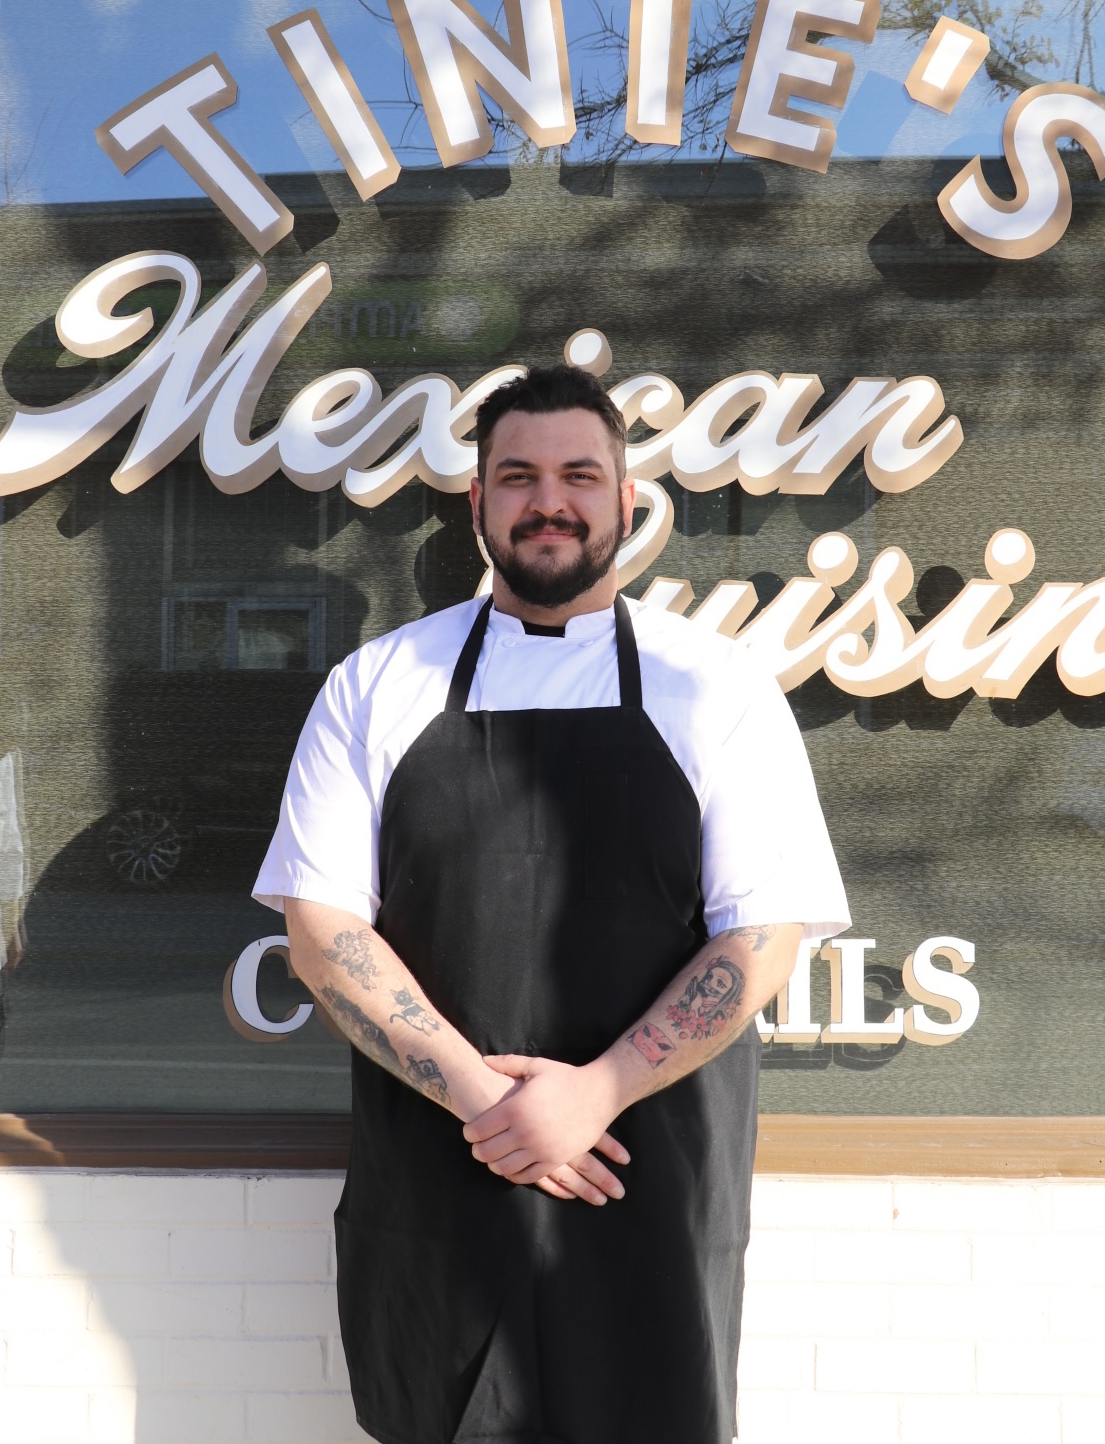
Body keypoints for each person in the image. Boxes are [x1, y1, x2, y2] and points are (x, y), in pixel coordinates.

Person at [253, 363, 849, 1444]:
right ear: (475, 502)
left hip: (647, 1185)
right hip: (439, 1184)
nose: (548, 499)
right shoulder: (374, 685)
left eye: (579, 473)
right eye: (516, 474)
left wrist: (595, 1093)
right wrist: (495, 1103)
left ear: (627, 504)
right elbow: (321, 930)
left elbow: (762, 937)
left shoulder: (715, 688)